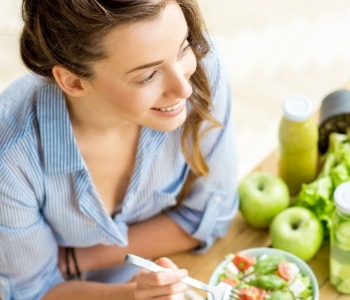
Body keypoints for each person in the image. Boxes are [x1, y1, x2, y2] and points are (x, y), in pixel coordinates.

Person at [0, 0, 239, 299]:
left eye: (183, 48)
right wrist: (133, 294)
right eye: (147, 76)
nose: (185, 89)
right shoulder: (10, 157)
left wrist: (79, 258)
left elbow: (211, 215)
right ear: (73, 81)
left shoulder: (202, 69)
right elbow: (32, 291)